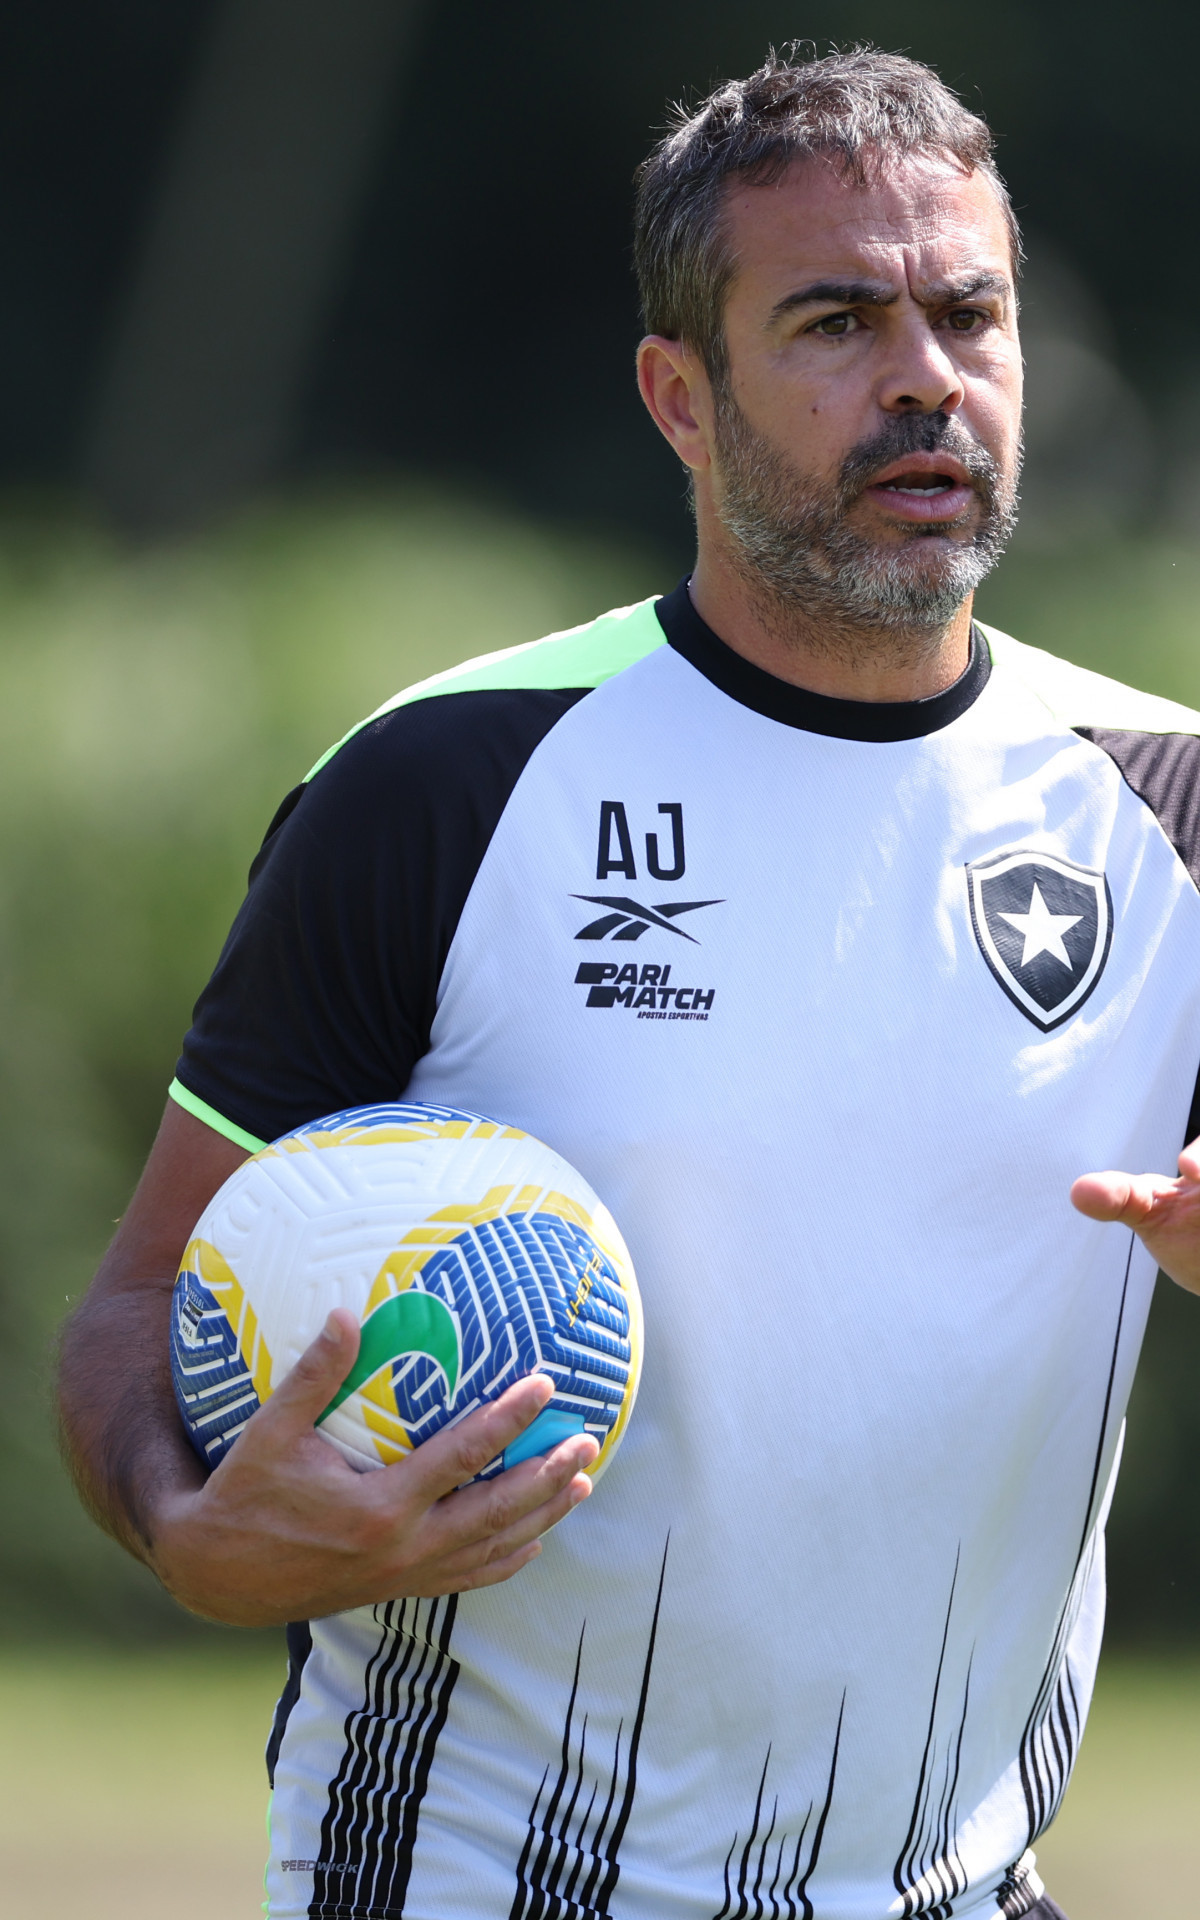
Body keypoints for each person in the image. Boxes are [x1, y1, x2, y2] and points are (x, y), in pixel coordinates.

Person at [57, 45, 1200, 1920]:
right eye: (835, 320)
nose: (924, 376)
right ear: (680, 397)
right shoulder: (445, 781)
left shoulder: (1172, 805)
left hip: (961, 1888)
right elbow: (136, 1304)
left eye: (967, 313)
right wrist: (194, 1527)